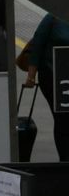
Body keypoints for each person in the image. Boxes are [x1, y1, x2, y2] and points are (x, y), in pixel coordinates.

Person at [25, 13, 69, 159]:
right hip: (53, 78)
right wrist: (31, 75)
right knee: (62, 118)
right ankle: (64, 158)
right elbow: (37, 43)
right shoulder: (54, 17)